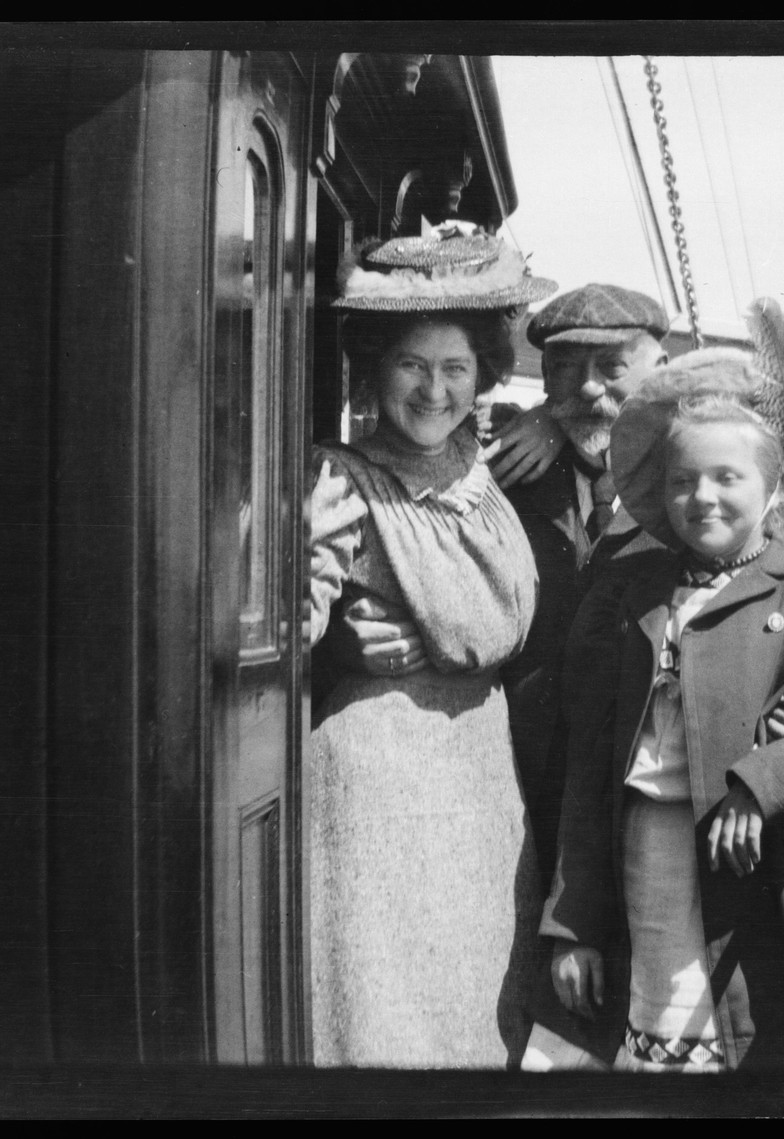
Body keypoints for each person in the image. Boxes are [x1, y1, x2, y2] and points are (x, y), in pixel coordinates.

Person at [540, 338, 784, 1072]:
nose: (702, 497)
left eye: (727, 476)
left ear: (774, 490)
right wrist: (573, 921)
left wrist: (770, 773)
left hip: (755, 894)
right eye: (683, 480)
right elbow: (590, 769)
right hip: (643, 871)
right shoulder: (632, 594)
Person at [307, 230, 567, 1068]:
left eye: (456, 368)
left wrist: (559, 419)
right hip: (378, 780)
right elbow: (283, 628)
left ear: (484, 373)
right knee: (382, 1016)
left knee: (475, 1011)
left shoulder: (486, 473)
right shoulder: (339, 480)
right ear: (378, 370)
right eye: (413, 365)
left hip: (480, 779)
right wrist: (330, 629)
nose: (435, 389)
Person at [328, 282, 676, 888]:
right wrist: (341, 637)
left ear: (661, 372)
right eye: (565, 371)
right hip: (503, 793)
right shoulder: (497, 473)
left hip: (642, 800)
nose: (590, 389)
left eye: (613, 368)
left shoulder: (696, 495)